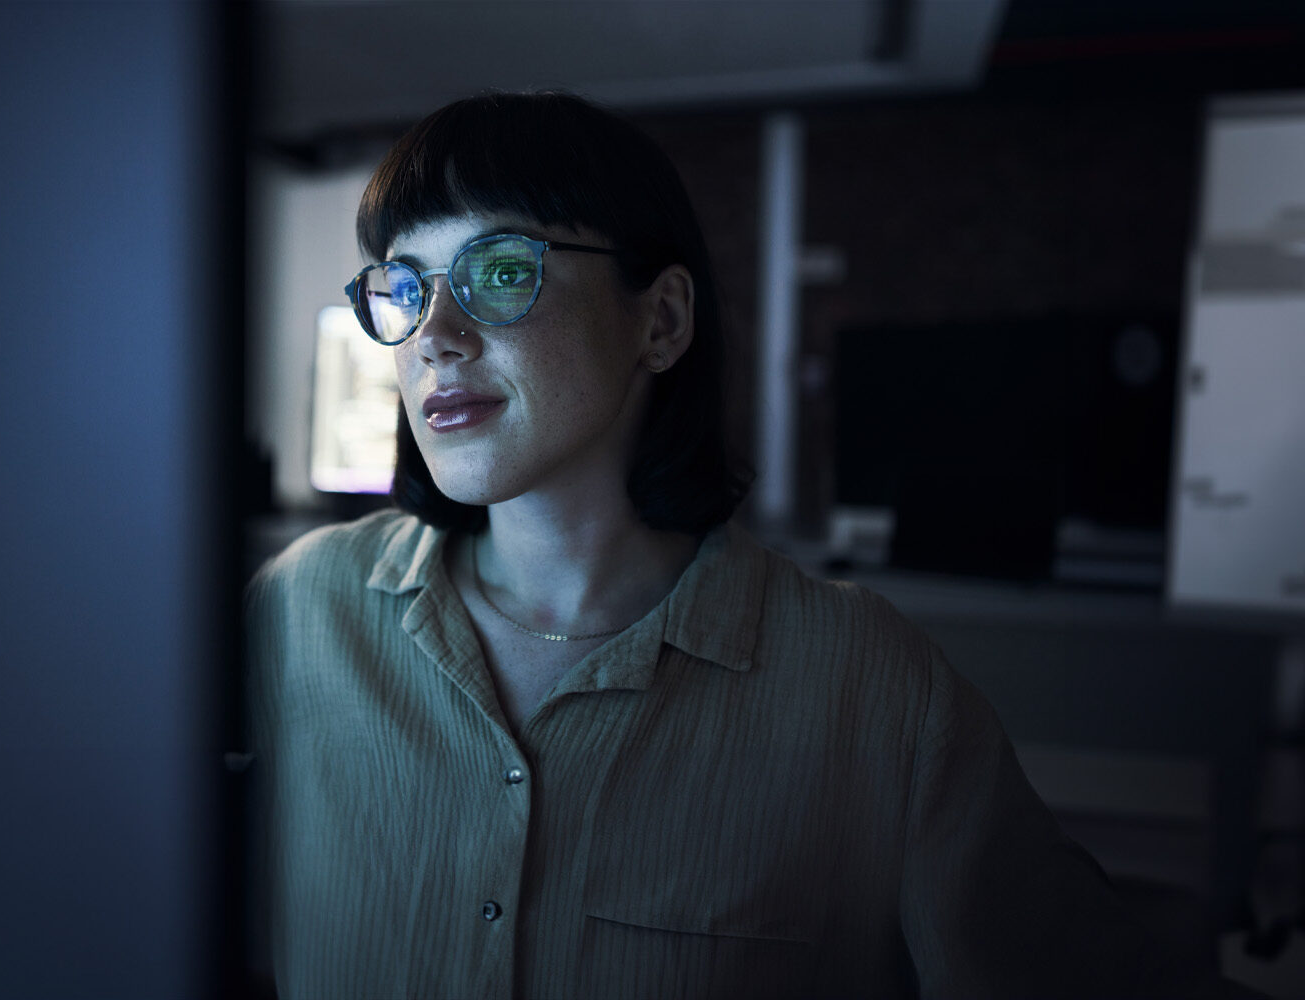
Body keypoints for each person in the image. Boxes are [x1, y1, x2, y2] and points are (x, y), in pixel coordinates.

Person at [243, 91, 1259, 998]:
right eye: (404, 289)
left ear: (661, 320)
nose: (434, 335)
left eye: (500, 270)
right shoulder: (300, 613)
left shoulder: (865, 688)